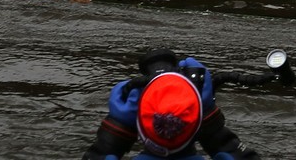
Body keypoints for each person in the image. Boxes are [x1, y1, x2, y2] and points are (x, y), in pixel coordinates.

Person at [81, 49, 262, 160]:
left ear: (138, 126)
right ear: (197, 125)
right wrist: (209, 121)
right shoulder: (205, 122)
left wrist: (116, 130)